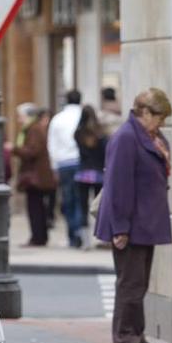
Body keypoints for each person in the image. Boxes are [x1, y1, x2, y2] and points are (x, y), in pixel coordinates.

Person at [94, 90, 172, 343]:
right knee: (130, 282)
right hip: (130, 224)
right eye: (159, 117)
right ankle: (125, 336)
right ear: (145, 112)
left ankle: (136, 334)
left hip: (144, 223)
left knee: (139, 283)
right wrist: (120, 228)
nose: (162, 123)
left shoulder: (149, 136)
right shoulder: (127, 137)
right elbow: (118, 186)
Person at [12, 103, 55, 247]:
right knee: (37, 207)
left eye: (20, 116)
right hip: (35, 175)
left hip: (35, 176)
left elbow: (32, 151)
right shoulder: (33, 128)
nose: (19, 120)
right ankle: (39, 237)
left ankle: (38, 238)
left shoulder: (33, 129)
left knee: (35, 208)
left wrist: (14, 149)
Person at [47, 90, 85, 247]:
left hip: (64, 164)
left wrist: (54, 167)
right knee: (81, 200)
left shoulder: (58, 119)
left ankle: (73, 234)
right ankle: (81, 232)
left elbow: (52, 145)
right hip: (81, 162)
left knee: (68, 200)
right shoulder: (84, 116)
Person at [73, 104, 107, 247]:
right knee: (100, 206)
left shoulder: (78, 133)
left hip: (83, 173)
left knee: (82, 206)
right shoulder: (101, 134)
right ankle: (102, 237)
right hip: (99, 173)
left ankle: (85, 240)